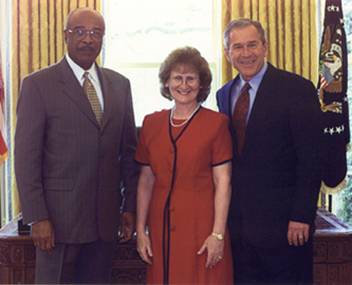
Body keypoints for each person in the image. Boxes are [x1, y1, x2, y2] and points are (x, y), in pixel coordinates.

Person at [14, 7, 138, 284]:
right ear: (65, 36)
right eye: (79, 32)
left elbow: (128, 153)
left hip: (105, 223)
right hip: (57, 224)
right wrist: (37, 217)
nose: (87, 39)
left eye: (96, 33)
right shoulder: (38, 85)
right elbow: (26, 159)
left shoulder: (120, 85)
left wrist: (129, 206)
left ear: (103, 38)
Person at [217, 18, 322, 284]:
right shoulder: (223, 94)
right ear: (228, 54)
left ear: (265, 47)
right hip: (240, 228)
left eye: (252, 45)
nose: (246, 53)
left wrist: (301, 215)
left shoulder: (297, 89)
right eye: (237, 47)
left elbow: (311, 159)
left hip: (285, 226)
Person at [135, 47, 233, 284]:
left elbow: (224, 182)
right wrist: (141, 230)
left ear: (201, 84)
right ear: (166, 83)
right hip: (159, 226)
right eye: (177, 78)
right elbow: (146, 181)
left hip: (201, 225)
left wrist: (217, 234)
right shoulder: (151, 123)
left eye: (191, 78)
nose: (184, 85)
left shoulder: (216, 124)